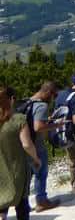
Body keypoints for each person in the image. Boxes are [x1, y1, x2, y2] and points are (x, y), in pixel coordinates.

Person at [0, 86, 41, 220]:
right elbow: (27, 144)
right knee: (22, 201)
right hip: (17, 167)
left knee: (2, 197)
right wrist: (36, 159)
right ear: (11, 99)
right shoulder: (19, 119)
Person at [19, 83, 58, 211]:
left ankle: (23, 204)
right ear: (48, 92)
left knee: (26, 176)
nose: (53, 98)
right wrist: (56, 125)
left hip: (22, 145)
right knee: (41, 173)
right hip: (36, 145)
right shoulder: (42, 106)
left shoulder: (27, 102)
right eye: (54, 95)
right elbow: (38, 127)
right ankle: (41, 201)